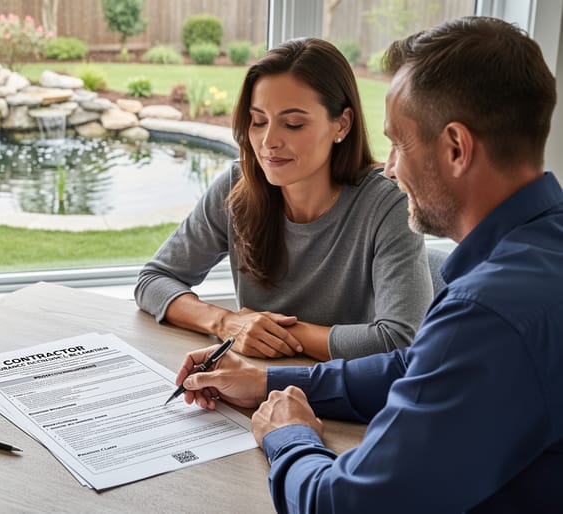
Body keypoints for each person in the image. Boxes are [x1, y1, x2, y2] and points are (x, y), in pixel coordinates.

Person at [175, 16, 562, 513]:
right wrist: (269, 383)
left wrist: (289, 436)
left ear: (456, 148)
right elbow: (416, 366)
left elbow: (345, 505)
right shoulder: (535, 250)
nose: (392, 168)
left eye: (399, 143)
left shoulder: (488, 312)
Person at [135, 38, 431, 362]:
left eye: (293, 124)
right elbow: (154, 280)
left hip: (359, 393)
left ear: (341, 124)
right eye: (259, 121)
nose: (269, 141)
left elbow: (401, 340)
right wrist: (227, 322)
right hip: (267, 381)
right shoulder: (237, 188)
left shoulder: (387, 204)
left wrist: (274, 333)